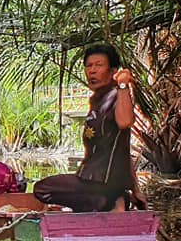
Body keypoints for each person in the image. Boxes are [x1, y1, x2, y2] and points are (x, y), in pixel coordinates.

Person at [33, 43, 138, 212]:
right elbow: (124, 149)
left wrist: (123, 85)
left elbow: (125, 122)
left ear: (113, 71)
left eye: (99, 65)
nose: (92, 71)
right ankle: (104, 203)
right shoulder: (97, 100)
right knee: (72, 197)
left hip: (102, 181)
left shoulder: (116, 95)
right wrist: (137, 190)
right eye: (89, 66)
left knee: (42, 188)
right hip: (92, 180)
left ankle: (104, 202)